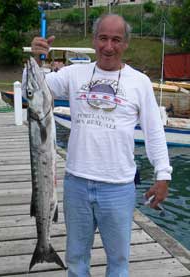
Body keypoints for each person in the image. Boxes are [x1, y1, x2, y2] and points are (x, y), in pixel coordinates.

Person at [24, 14, 172, 277]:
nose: (108, 46)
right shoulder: (72, 74)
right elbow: (34, 91)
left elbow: (155, 133)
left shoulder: (139, 82)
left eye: (116, 39)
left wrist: (163, 174)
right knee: (77, 262)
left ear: (126, 43)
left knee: (118, 263)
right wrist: (37, 58)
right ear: (94, 40)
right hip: (76, 185)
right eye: (103, 38)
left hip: (118, 188)